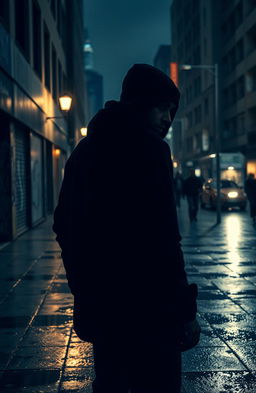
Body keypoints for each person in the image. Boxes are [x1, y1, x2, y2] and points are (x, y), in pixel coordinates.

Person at [53, 64, 200, 393]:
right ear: (140, 104)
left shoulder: (84, 152)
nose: (167, 118)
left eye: (171, 110)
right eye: (161, 108)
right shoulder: (151, 151)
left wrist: (84, 284)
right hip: (151, 308)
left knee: (112, 383)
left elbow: (63, 223)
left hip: (105, 307)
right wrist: (184, 310)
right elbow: (164, 239)